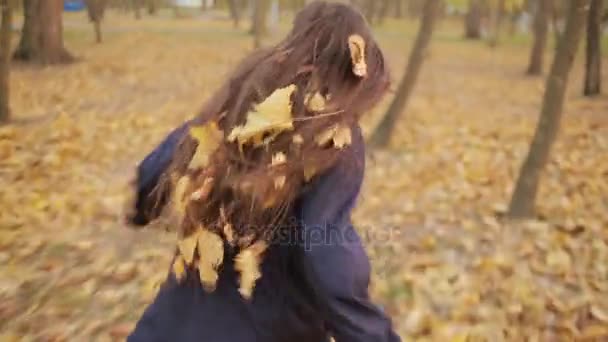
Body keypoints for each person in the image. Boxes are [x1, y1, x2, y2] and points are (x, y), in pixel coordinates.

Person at [126, 2, 400, 341]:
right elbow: (324, 248)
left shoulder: (237, 106)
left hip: (166, 328)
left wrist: (142, 210)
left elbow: (153, 173)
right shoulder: (333, 136)